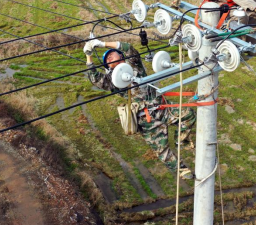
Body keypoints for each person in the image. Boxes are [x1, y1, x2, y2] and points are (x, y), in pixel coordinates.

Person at [83, 39, 196, 179]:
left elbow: (128, 47)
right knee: (162, 150)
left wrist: (103, 44)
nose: (110, 57)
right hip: (145, 118)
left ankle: (181, 139)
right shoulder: (112, 80)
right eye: (108, 59)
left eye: (113, 54)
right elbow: (94, 78)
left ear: (121, 56)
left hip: (162, 107)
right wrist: (89, 55)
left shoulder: (134, 65)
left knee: (188, 115)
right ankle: (182, 170)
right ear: (108, 66)